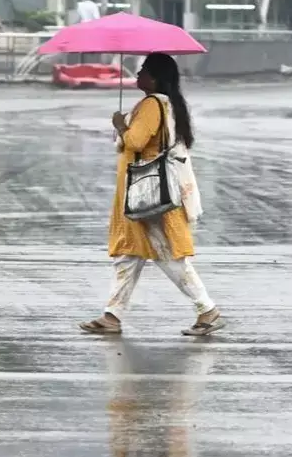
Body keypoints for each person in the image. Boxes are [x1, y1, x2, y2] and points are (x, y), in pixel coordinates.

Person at [79, 53, 224, 337]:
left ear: (156, 78)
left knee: (167, 255)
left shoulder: (151, 104)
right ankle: (112, 315)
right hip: (144, 192)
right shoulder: (169, 104)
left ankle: (207, 309)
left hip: (147, 194)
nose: (138, 74)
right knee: (129, 254)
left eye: (144, 70)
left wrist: (121, 125)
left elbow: (135, 141)